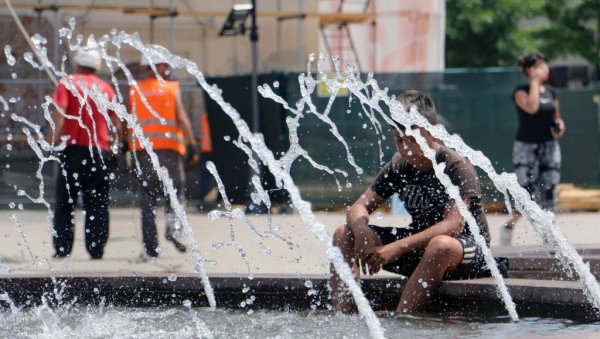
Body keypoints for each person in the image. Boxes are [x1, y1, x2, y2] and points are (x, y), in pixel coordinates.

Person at [330, 90, 494, 314]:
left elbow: (453, 225)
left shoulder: (455, 166)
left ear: (431, 133)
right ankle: (342, 318)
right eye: (399, 140)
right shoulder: (400, 165)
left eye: (413, 139)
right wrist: (361, 231)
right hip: (420, 248)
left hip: (466, 251)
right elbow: (359, 206)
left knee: (440, 244)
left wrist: (395, 248)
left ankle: (403, 321)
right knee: (343, 233)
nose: (406, 148)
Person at [49, 48, 121, 259]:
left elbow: (59, 114)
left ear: (78, 64)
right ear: (96, 67)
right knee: (97, 203)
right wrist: (117, 148)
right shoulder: (106, 88)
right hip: (100, 152)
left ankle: (62, 248)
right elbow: (115, 122)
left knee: (65, 202)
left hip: (73, 151)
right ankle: (96, 249)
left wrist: (52, 141)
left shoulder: (67, 83)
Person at [126, 51, 199, 258]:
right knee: (175, 192)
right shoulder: (171, 88)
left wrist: (124, 147)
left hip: (143, 152)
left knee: (147, 198)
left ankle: (151, 247)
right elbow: (182, 118)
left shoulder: (135, 90)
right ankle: (173, 230)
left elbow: (127, 120)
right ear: (158, 66)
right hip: (169, 150)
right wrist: (192, 145)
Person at [500, 53, 565, 246]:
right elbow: (532, 107)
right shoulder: (520, 91)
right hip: (526, 148)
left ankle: (549, 235)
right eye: (540, 66)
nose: (545, 69)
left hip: (550, 147)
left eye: (546, 65)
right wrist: (534, 82)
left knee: (549, 191)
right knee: (527, 193)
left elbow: (556, 117)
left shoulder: (552, 93)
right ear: (530, 70)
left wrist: (559, 127)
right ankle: (509, 226)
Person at [196, 111, 219, 212]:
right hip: (212, 149)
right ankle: (208, 198)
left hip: (205, 149)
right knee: (209, 175)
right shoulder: (213, 116)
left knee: (205, 175)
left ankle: (205, 198)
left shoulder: (203, 116)